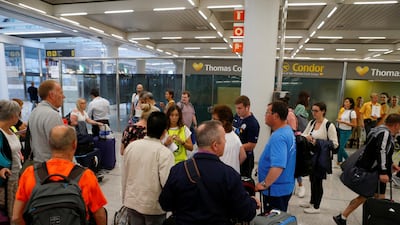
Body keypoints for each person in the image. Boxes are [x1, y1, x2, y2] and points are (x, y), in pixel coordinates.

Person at [159, 120, 260, 225]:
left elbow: (165, 204)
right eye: (224, 139)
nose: (225, 142)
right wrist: (252, 202)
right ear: (215, 145)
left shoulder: (178, 170)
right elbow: (246, 213)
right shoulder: (229, 175)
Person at [12, 125, 107, 225]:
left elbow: (16, 217)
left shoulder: (30, 173)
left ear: (49, 144)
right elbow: (100, 215)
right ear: (74, 145)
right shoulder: (86, 176)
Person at [333, 113, 400, 225]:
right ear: (397, 125)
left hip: (373, 169)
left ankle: (343, 217)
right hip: (376, 171)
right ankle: (375, 221)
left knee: (367, 196)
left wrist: (391, 163)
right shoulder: (385, 133)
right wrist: (384, 171)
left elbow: (377, 150)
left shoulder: (378, 130)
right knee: (376, 198)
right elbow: (381, 151)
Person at [122, 112, 175, 225]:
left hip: (132, 202)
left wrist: (125, 198)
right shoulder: (164, 153)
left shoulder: (132, 147)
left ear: (147, 127)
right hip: (153, 207)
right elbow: (167, 183)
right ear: (164, 131)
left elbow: (124, 175)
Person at [255, 101, 296, 212]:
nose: (265, 115)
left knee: (273, 220)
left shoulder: (279, 136)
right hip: (283, 187)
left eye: (267, 112)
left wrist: (264, 184)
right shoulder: (287, 130)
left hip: (275, 190)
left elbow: (278, 166)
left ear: (276, 116)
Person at [300, 102, 338, 214]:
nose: (314, 113)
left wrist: (318, 142)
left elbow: (335, 144)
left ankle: (317, 206)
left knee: (318, 181)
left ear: (323, 111)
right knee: (312, 180)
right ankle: (312, 202)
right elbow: (303, 134)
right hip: (311, 156)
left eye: (316, 111)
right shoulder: (312, 123)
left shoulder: (328, 125)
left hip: (321, 158)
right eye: (312, 110)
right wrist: (307, 137)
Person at [27, 80, 65, 162]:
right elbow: (61, 147)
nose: (63, 96)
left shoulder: (35, 111)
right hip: (53, 167)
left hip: (39, 166)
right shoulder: (52, 115)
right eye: (61, 93)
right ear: (52, 95)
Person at [0, 100, 23, 220]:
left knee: (15, 212)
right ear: (13, 116)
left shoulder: (11, 129)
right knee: (11, 214)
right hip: (7, 181)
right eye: (19, 114)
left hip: (16, 177)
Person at [212, 104, 246, 174]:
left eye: (215, 119)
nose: (212, 121)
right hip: (234, 177)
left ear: (223, 122)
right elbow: (243, 156)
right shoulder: (235, 137)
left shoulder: (217, 138)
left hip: (221, 178)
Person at [233, 95, 260, 178]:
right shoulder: (237, 117)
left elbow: (251, 145)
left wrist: (235, 146)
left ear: (247, 107)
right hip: (235, 155)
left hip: (246, 159)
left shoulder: (253, 123)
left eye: (240, 108)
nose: (237, 110)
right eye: (236, 108)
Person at [293, 91, 310, 198]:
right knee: (297, 164)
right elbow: (301, 122)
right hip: (299, 138)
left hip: (298, 138)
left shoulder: (299, 107)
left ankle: (298, 185)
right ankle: (300, 185)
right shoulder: (301, 108)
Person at [336, 97, 357, 165]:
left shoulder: (352, 112)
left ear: (351, 103)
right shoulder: (343, 110)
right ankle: (339, 160)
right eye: (345, 101)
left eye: (347, 102)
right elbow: (339, 118)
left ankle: (349, 161)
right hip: (340, 129)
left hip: (346, 131)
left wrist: (343, 122)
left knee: (341, 147)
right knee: (339, 146)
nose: (345, 103)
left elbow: (354, 124)